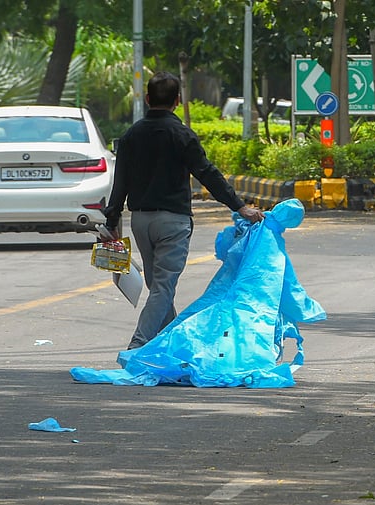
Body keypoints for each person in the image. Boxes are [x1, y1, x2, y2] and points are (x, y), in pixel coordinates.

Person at [102, 71, 265, 350]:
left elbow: (122, 180)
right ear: (178, 100)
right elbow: (207, 173)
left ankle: (174, 342)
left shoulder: (131, 136)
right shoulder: (182, 134)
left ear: (147, 98)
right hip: (173, 222)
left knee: (158, 286)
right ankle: (138, 345)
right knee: (163, 287)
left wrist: (113, 218)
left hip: (141, 221)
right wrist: (239, 207)